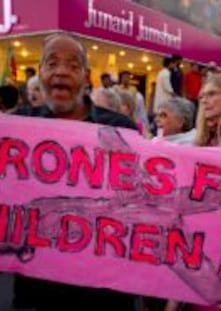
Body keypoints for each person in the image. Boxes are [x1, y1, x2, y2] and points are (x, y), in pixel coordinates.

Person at [13, 32, 138, 311]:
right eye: (52, 63)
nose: (61, 71)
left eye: (72, 65)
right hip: (38, 291)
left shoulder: (122, 130)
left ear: (86, 76)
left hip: (105, 292)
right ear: (40, 73)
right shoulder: (16, 129)